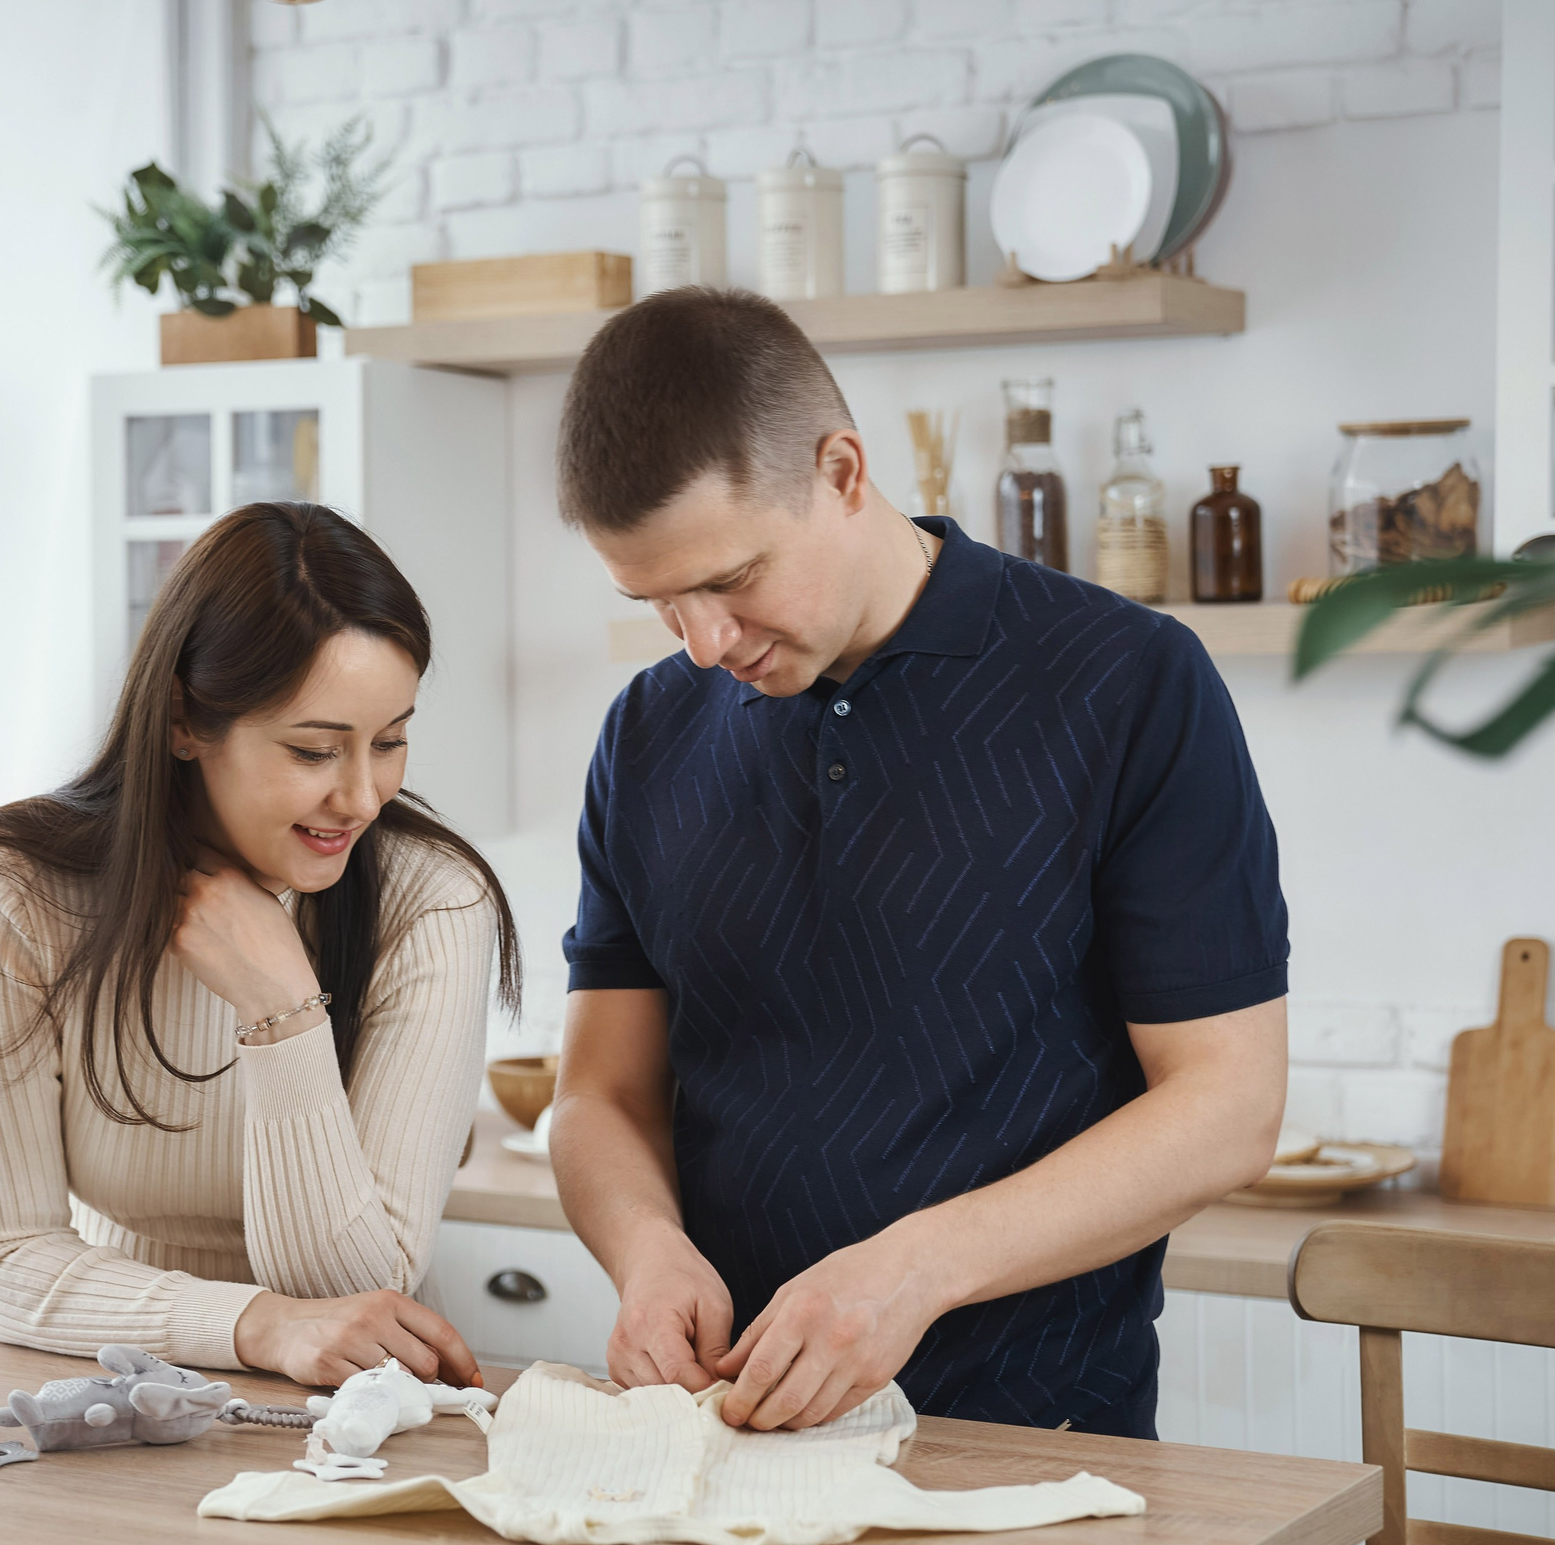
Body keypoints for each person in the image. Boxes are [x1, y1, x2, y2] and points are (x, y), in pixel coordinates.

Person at [549, 289, 1290, 1438]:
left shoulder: (1128, 683)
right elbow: (600, 1093)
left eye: (732, 578)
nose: (703, 644)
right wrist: (645, 1250)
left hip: (1035, 1448)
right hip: (725, 1439)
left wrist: (914, 1270)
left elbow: (1229, 1104)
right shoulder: (647, 734)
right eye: (657, 603)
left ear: (842, 471)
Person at [0, 501, 518, 1390]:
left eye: (391, 740)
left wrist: (281, 1011)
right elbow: (2, 1260)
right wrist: (254, 1325)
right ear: (183, 721)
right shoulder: (16, 893)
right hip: (118, 1391)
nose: (362, 796)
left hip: (355, 1418)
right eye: (315, 750)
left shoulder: (430, 903)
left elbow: (358, 1291)